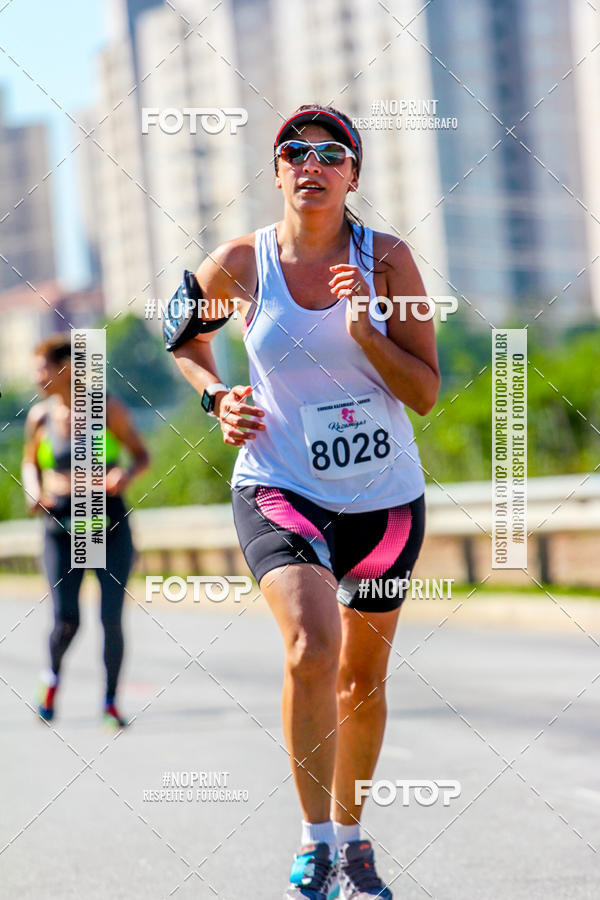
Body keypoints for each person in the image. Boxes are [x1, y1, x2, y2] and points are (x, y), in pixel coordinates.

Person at [169, 105, 440, 899]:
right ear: (277, 169)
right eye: (295, 151)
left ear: (353, 173)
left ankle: (354, 842)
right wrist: (216, 394)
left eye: (331, 153)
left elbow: (424, 393)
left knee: (361, 681)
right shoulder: (241, 265)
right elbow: (184, 336)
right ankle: (314, 844)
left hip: (384, 501)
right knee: (310, 649)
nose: (310, 164)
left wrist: (366, 333)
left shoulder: (387, 262)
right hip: (279, 482)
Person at [22, 335, 150, 728]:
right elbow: (30, 463)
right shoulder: (40, 418)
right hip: (61, 527)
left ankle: (110, 703)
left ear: (65, 370)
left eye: (42, 369)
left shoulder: (107, 409)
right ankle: (51, 682)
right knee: (66, 620)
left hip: (107, 524)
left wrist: (122, 474)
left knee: (111, 618)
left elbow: (141, 455)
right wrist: (34, 490)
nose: (36, 377)